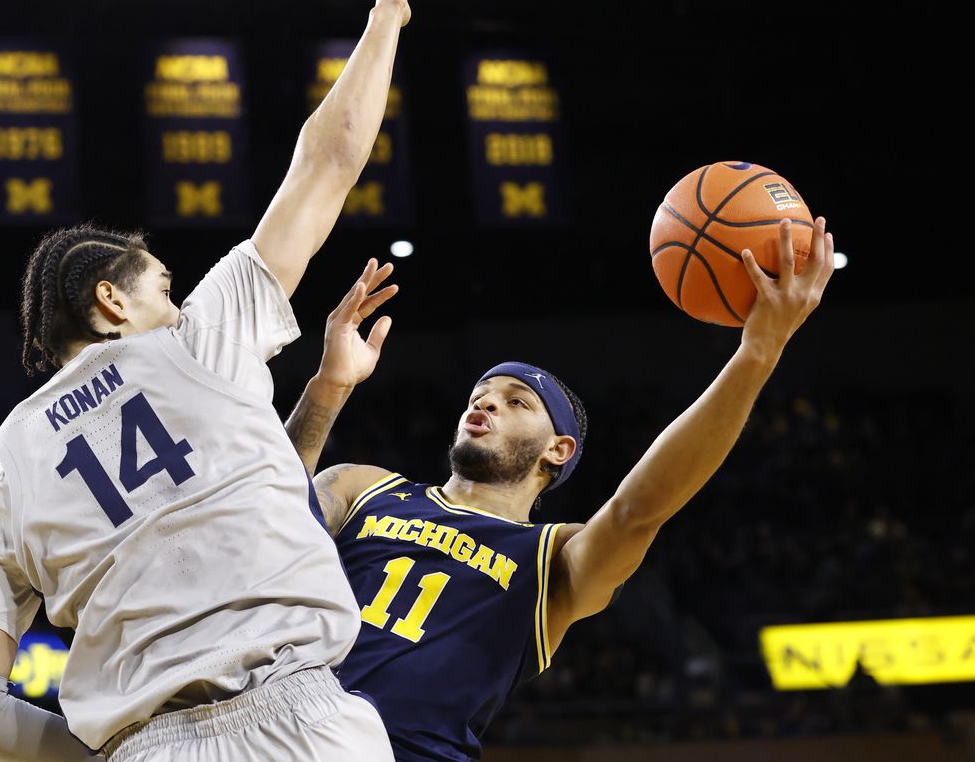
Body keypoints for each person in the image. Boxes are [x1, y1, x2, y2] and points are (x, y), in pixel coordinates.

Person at [0, 0, 412, 761]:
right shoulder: (197, 341)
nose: (180, 299)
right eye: (164, 286)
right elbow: (328, 160)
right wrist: (386, 19)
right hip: (300, 720)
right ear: (112, 303)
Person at [286, 219, 836, 762]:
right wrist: (328, 387)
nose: (487, 403)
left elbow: (638, 511)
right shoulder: (365, 486)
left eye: (516, 401)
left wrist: (758, 353)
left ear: (559, 450)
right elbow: (262, 511)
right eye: (481, 394)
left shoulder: (555, 560)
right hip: (273, 729)